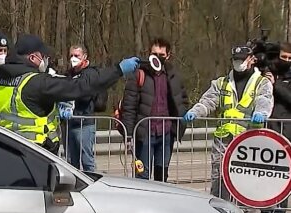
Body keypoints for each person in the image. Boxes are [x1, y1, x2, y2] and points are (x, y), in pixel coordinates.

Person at [0, 34, 139, 155]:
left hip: (7, 153)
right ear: (33, 58)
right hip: (36, 156)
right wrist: (118, 70)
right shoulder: (37, 83)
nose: (46, 60)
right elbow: (81, 86)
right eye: (44, 56)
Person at [184, 45, 274, 202]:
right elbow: (208, 101)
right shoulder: (222, 83)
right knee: (219, 179)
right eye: (235, 60)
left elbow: (264, 99)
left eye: (241, 60)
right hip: (223, 140)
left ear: (251, 59)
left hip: (248, 140)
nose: (238, 63)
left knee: (248, 180)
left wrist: (261, 113)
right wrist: (196, 111)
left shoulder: (261, 82)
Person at [120, 37, 189, 182]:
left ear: (168, 56)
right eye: (154, 54)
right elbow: (129, 106)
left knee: (162, 176)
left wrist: (179, 125)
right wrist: (128, 134)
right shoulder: (139, 74)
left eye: (161, 55)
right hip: (144, 133)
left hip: (166, 134)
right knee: (142, 176)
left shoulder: (174, 76)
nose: (157, 58)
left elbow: (182, 100)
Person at [257, 43, 291, 213]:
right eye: (283, 57)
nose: (285, 61)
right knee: (264, 174)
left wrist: (275, 84)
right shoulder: (267, 73)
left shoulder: (282, 79)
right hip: (267, 128)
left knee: (282, 176)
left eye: (289, 58)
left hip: (286, 131)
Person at [63, 44, 109, 171]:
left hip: (85, 122)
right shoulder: (68, 74)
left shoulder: (90, 74)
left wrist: (70, 91)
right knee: (71, 161)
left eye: (76, 56)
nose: (73, 58)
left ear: (84, 56)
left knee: (87, 160)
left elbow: (85, 95)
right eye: (71, 56)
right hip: (70, 122)